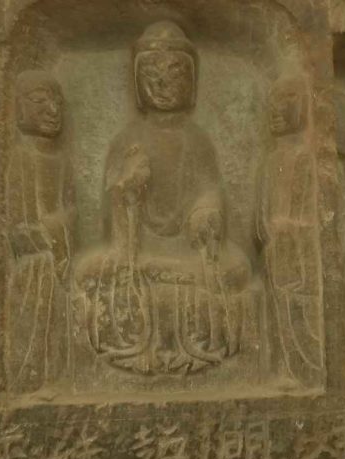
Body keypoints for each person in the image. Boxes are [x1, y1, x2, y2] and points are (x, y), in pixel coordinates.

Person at [75, 21, 252, 375]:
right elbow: (112, 215)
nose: (163, 83)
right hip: (137, 249)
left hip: (188, 250)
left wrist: (205, 213)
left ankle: (190, 344)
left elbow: (209, 192)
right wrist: (128, 186)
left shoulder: (197, 141)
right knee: (87, 273)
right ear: (137, 83)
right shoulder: (127, 140)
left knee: (238, 270)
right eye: (152, 74)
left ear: (192, 83)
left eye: (175, 73)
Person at [4, 70, 76, 393]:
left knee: (62, 313)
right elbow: (17, 228)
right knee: (39, 296)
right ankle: (30, 378)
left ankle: (57, 376)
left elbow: (71, 209)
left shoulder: (62, 160)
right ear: (20, 108)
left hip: (60, 255)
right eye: (40, 101)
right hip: (34, 262)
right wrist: (46, 235)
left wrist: (59, 231)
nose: (52, 110)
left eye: (57, 102)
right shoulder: (21, 157)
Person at [256, 73, 325, 387]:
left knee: (304, 311)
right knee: (278, 311)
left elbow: (315, 216)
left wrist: (293, 231)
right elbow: (261, 214)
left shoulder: (309, 160)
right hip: (276, 254)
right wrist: (269, 231)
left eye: (287, 100)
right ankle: (285, 367)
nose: (276, 108)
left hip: (301, 258)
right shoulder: (269, 162)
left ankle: (310, 372)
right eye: (272, 102)